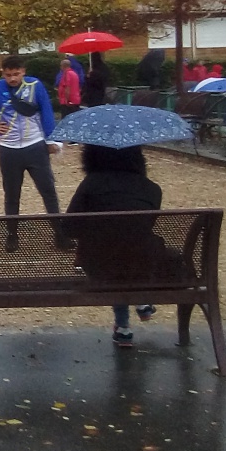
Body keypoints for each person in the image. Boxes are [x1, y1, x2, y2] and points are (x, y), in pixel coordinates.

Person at [62, 145, 163, 348]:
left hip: (99, 264)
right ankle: (141, 299)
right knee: (135, 247)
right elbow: (142, 228)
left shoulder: (91, 184)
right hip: (141, 262)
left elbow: (69, 228)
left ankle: (123, 325)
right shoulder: (152, 188)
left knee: (110, 252)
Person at [0, 55, 68, 252]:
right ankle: (12, 235)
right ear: (2, 73)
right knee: (12, 195)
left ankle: (59, 234)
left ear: (23, 71)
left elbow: (47, 111)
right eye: (8, 75)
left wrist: (52, 140)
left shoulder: (35, 86)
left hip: (35, 146)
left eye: (16, 74)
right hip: (9, 149)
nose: (12, 79)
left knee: (48, 192)